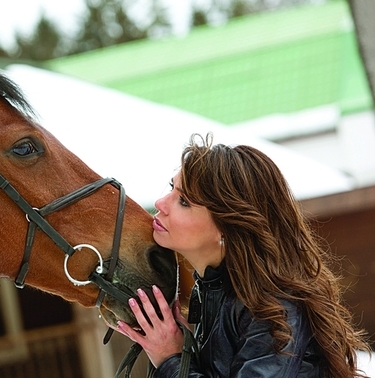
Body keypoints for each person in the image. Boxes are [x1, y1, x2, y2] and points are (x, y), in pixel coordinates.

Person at [115, 133, 371, 377]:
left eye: (184, 201)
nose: (160, 203)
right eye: (172, 188)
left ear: (227, 226)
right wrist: (179, 353)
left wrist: (170, 360)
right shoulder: (213, 294)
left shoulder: (275, 310)